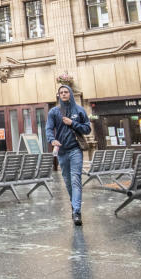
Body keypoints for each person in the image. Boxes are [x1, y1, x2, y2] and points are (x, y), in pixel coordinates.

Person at [46, 84, 92, 226]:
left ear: (70, 94)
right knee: (67, 182)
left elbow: (87, 129)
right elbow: (48, 128)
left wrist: (73, 123)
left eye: (66, 92)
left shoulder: (79, 110)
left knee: (75, 180)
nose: (64, 94)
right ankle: (75, 205)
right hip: (62, 152)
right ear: (58, 95)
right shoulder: (54, 112)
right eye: (61, 92)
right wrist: (52, 140)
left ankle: (77, 211)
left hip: (75, 150)